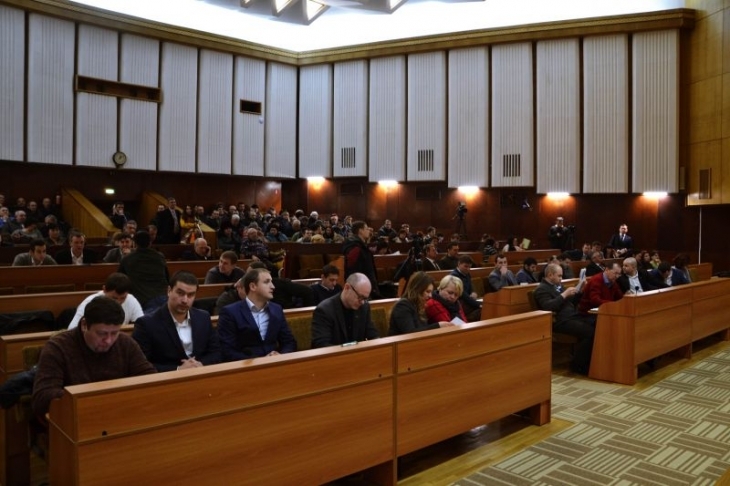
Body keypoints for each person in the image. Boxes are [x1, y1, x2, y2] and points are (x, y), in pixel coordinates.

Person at [32, 296, 156, 416]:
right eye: (102, 333)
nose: (109, 341)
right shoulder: (58, 347)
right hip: (75, 417)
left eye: (114, 333)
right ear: (84, 325)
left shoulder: (125, 343)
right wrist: (94, 399)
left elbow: (150, 379)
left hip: (119, 414)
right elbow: (42, 398)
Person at [132, 271, 221, 372]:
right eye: (180, 293)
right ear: (169, 291)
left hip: (201, 374)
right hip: (167, 380)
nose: (185, 300)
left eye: (190, 295)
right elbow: (140, 364)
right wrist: (178, 369)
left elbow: (216, 352)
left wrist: (201, 364)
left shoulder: (203, 317)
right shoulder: (146, 323)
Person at [218, 267, 297, 360]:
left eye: (271, 282)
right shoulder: (230, 312)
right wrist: (257, 361)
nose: (273, 286)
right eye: (266, 282)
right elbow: (227, 350)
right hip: (246, 365)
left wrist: (281, 356)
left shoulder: (277, 309)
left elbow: (289, 342)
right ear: (253, 286)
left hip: (275, 363)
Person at [534, 263, 595, 375]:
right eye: (559, 276)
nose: (561, 278)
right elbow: (548, 306)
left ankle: (590, 361)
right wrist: (564, 294)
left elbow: (570, 303)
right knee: (590, 332)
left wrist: (580, 292)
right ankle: (578, 365)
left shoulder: (558, 286)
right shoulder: (541, 289)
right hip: (560, 321)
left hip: (572, 316)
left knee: (596, 323)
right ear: (550, 275)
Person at [311, 272, 379, 348]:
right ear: (347, 287)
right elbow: (321, 345)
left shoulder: (364, 307)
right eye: (360, 297)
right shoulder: (324, 310)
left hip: (357, 353)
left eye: (365, 298)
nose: (362, 302)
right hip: (335, 354)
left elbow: (373, 335)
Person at [68, 273, 144, 329]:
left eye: (123, 298)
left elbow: (142, 325)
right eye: (114, 298)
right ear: (104, 290)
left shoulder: (131, 299)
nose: (118, 302)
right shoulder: (90, 302)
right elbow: (72, 329)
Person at [118, 230, 170, 311]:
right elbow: (167, 278)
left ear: (134, 243)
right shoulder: (159, 257)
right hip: (163, 297)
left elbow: (120, 279)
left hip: (142, 299)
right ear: (150, 242)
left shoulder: (127, 259)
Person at [342, 221, 381, 299]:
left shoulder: (361, 246)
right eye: (366, 229)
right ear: (360, 231)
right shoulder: (355, 248)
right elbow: (353, 271)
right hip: (360, 290)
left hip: (366, 286)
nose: (369, 230)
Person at [450, 255, 482, 321]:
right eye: (466, 266)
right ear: (459, 264)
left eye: (469, 267)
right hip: (459, 303)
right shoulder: (454, 276)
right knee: (482, 309)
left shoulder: (467, 274)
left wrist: (473, 292)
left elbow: (471, 286)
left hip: (468, 300)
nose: (468, 269)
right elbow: (462, 294)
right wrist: (477, 304)